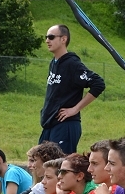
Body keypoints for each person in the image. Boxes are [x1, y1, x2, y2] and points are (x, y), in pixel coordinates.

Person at [40, 24, 105, 154]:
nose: (47, 40)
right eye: (46, 37)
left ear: (63, 39)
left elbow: (98, 83)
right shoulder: (53, 63)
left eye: (51, 37)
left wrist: (75, 109)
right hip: (50, 124)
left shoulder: (72, 64)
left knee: (61, 167)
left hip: (65, 124)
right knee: (41, 164)